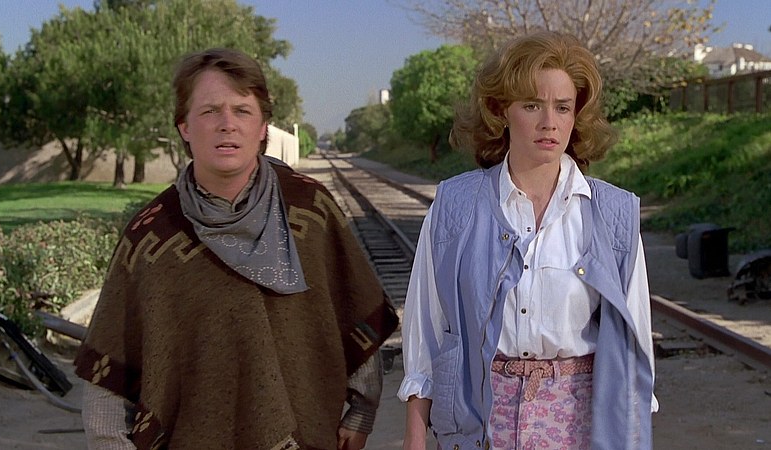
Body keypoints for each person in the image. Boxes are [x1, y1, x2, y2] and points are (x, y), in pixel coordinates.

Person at [74, 48, 398, 450]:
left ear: (262, 127)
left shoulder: (311, 209)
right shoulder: (152, 236)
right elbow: (108, 377)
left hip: (309, 435)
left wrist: (362, 409)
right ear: (184, 126)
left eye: (242, 111)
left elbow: (353, 307)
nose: (227, 124)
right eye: (210, 111)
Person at [398, 31, 658, 449]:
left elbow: (636, 347)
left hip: (580, 427)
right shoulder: (454, 206)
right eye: (532, 105)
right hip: (482, 426)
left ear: (576, 116)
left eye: (563, 107)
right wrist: (414, 437)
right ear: (501, 110)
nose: (549, 122)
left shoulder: (614, 215)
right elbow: (427, 331)